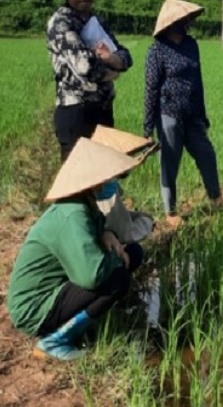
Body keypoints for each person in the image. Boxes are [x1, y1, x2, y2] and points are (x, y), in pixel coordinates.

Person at [6, 138, 145, 361]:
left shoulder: (83, 204)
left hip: (56, 288)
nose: (114, 183)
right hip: (33, 307)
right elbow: (92, 275)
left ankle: (84, 320)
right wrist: (116, 258)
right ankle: (54, 341)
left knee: (134, 252)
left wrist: (109, 235)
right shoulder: (73, 213)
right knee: (117, 278)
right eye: (110, 178)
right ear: (95, 182)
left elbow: (97, 231)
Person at [143, 0, 222, 226]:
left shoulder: (191, 45)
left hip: (193, 114)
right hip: (168, 114)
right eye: (181, 20)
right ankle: (171, 212)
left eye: (186, 20)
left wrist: (203, 114)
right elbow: (150, 88)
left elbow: (198, 81)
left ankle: (216, 198)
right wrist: (148, 127)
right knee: (170, 161)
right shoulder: (157, 50)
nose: (186, 23)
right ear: (171, 23)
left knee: (207, 154)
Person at [46, 0, 132, 161]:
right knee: (78, 183)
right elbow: (86, 67)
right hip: (76, 111)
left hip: (102, 109)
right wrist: (112, 70)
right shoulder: (60, 23)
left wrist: (112, 59)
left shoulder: (97, 21)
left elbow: (126, 56)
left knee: (104, 175)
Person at [90, 125, 158, 243]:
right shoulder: (104, 183)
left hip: (112, 215)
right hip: (112, 226)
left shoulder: (102, 174)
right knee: (144, 223)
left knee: (144, 217)